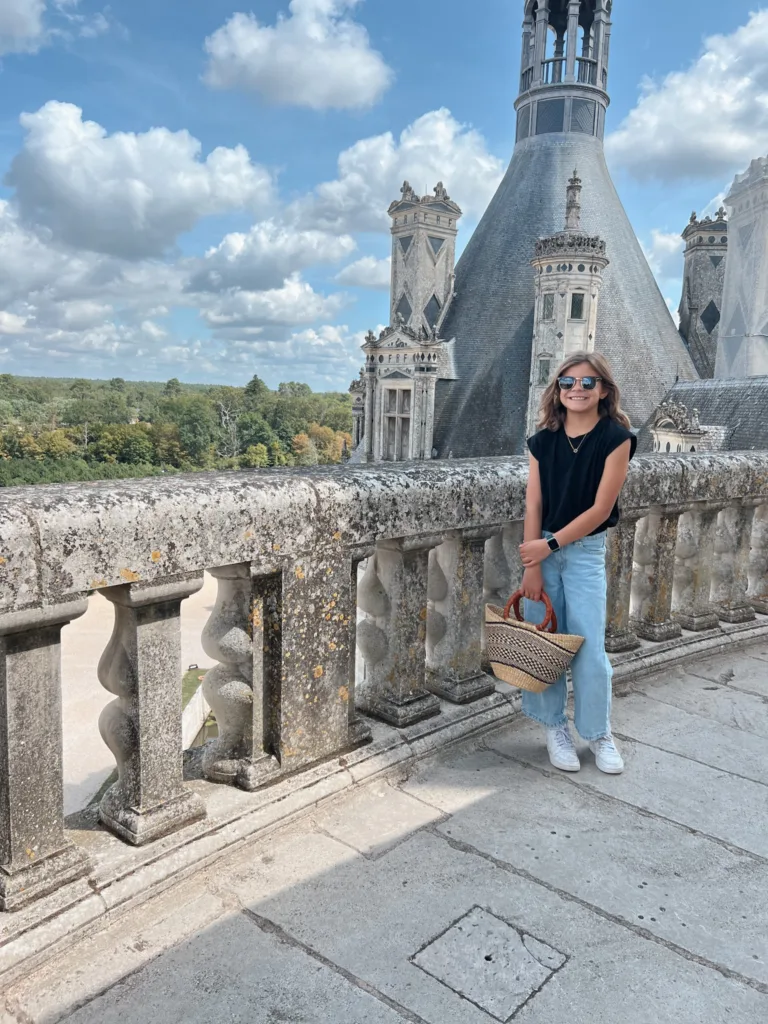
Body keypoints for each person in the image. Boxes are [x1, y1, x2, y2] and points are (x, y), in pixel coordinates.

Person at [519, 351, 636, 774]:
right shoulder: (542, 441)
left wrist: (547, 549)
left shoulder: (616, 439)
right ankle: (554, 726)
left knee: (589, 650)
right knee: (545, 644)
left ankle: (598, 732)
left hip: (583, 553)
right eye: (568, 382)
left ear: (604, 390)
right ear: (558, 389)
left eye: (588, 383)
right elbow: (534, 502)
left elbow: (601, 510)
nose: (577, 390)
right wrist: (533, 561)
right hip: (542, 551)